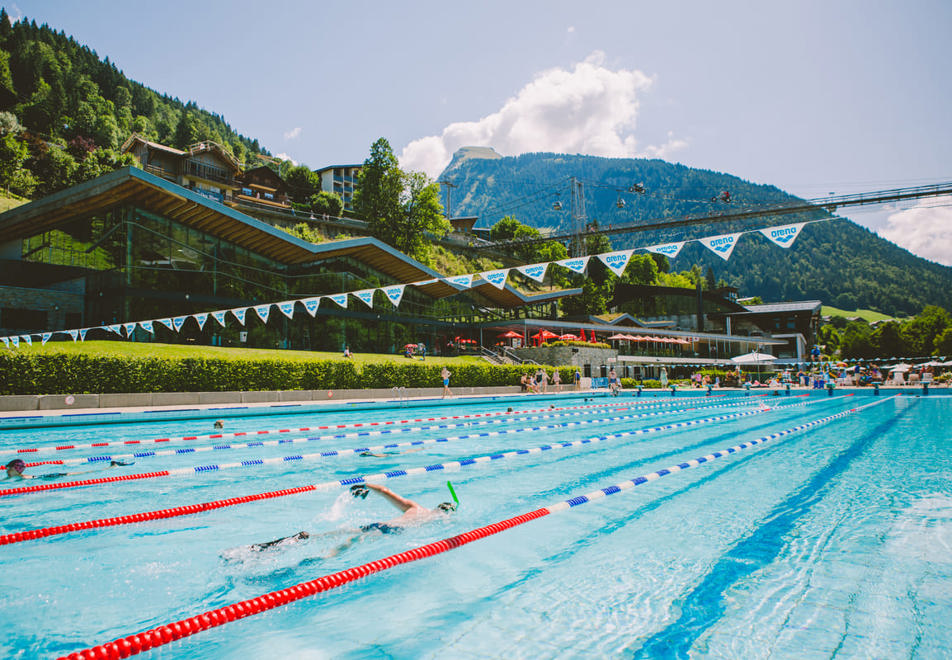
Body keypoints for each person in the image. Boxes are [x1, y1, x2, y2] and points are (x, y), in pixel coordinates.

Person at [245, 483, 457, 556]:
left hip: (380, 525)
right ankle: (309, 559)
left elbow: (384, 490)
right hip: (386, 532)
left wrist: (365, 486)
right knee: (333, 554)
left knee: (336, 534)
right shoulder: (439, 519)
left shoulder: (415, 507)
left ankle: (295, 539)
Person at [4, 458, 133, 481]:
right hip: (45, 477)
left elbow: (10, 471)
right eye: (19, 466)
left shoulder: (17, 476)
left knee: (83, 473)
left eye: (23, 466)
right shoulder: (12, 476)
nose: (22, 468)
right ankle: (112, 466)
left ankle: (112, 466)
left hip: (51, 476)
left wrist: (10, 469)